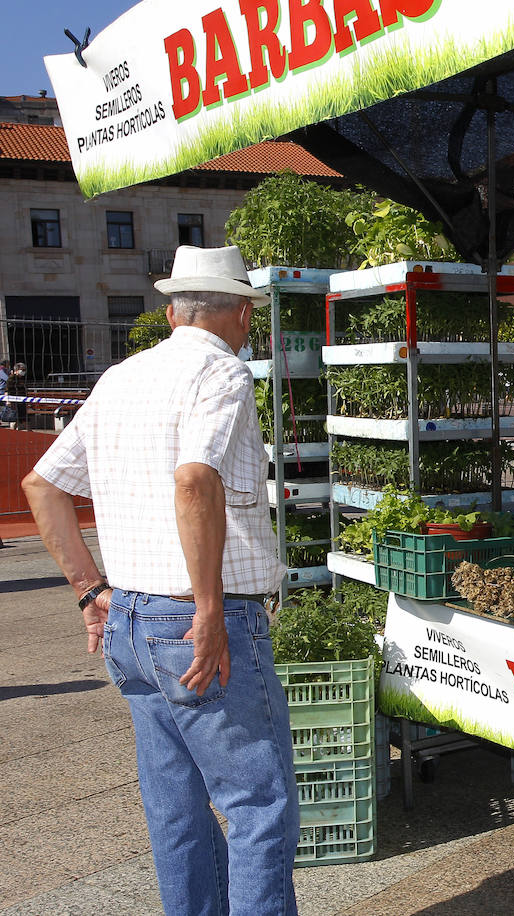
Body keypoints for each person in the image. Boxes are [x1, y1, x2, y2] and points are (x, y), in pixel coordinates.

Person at [22, 245, 300, 915]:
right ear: (239, 312)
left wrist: (90, 590)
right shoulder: (223, 372)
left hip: (132, 620)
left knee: (175, 809)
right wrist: (207, 610)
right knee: (257, 804)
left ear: (173, 310)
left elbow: (43, 484)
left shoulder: (120, 377)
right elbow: (193, 480)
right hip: (196, 618)